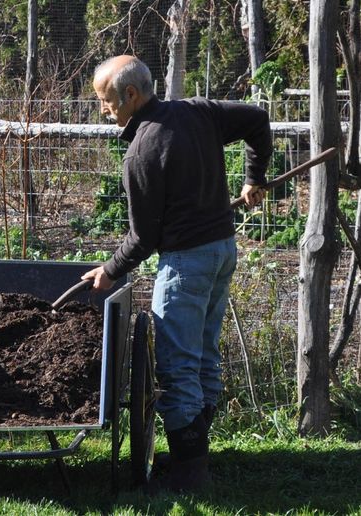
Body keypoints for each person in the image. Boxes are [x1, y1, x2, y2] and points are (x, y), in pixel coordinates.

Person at [81, 55, 272, 492]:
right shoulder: (196, 112)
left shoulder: (142, 151)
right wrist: (253, 176)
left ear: (130, 94)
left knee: (176, 365)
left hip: (186, 263)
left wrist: (109, 272)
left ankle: (188, 474)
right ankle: (195, 452)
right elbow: (258, 119)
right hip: (222, 251)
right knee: (203, 354)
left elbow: (144, 238)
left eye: (107, 100)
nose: (104, 109)